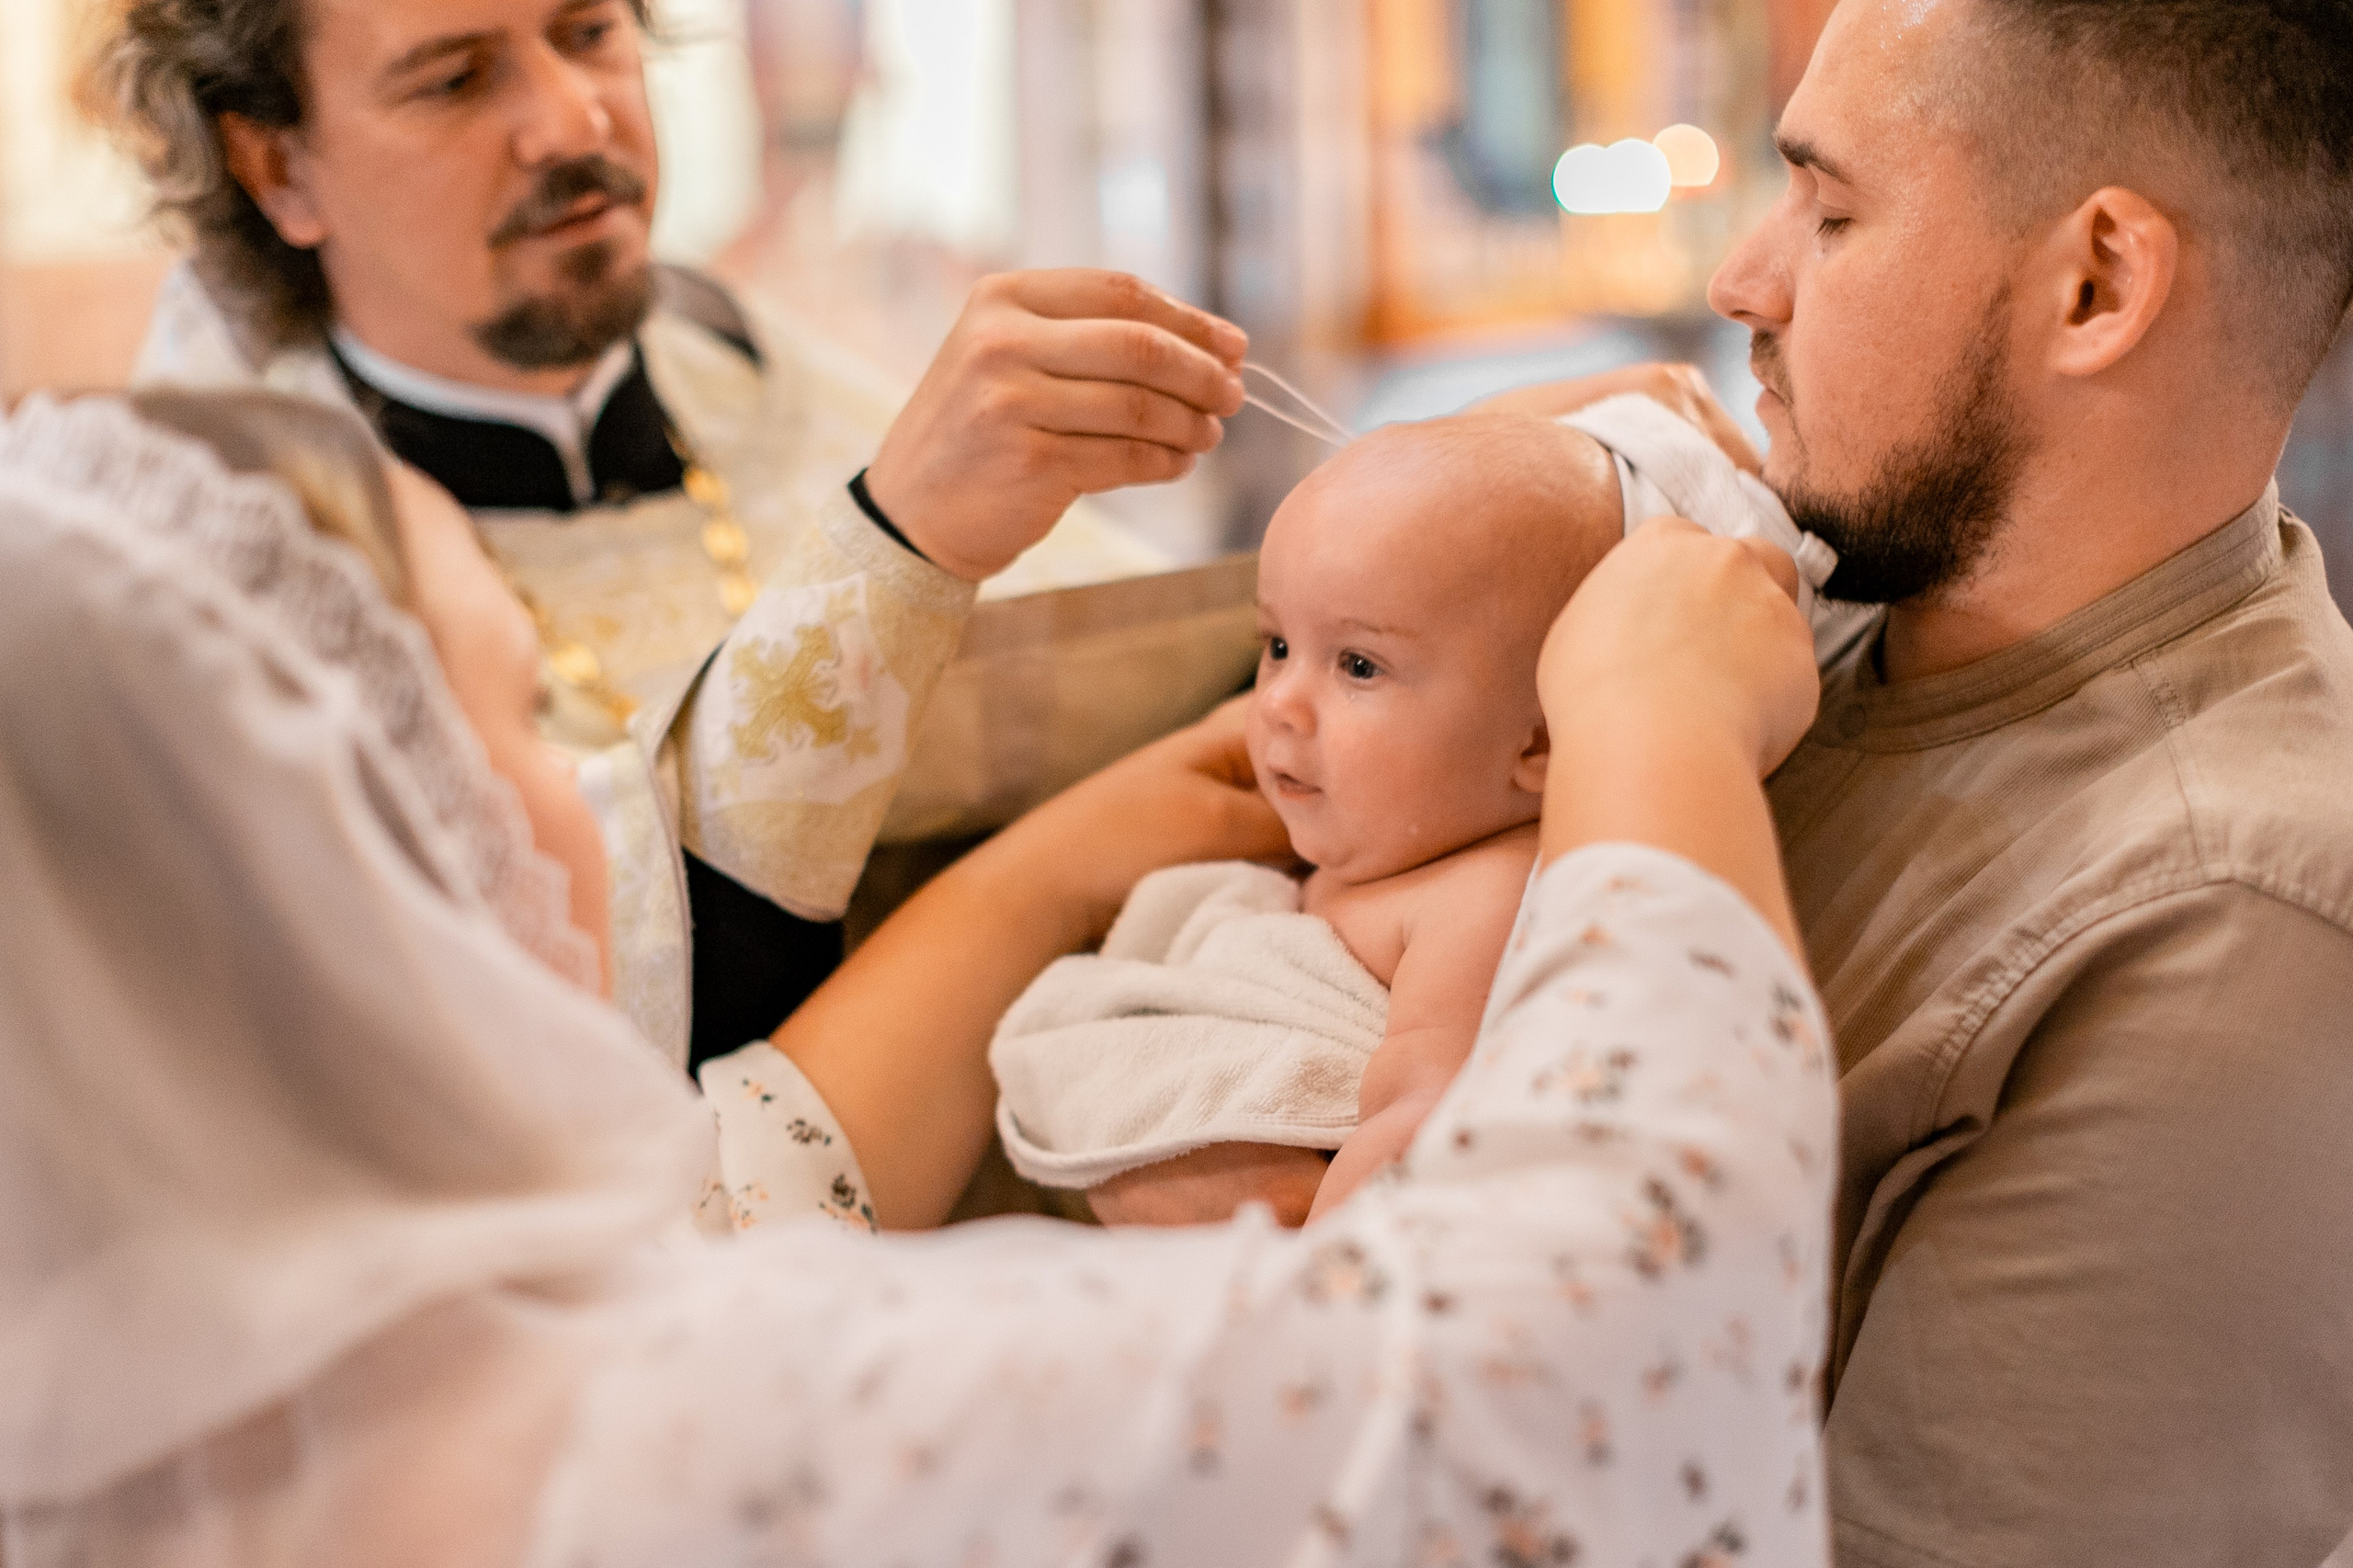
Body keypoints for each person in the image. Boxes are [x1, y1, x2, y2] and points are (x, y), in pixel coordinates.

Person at [0, 389, 1837, 1565]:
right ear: (326, 851)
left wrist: (1049, 863)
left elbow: (757, 1168)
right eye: (506, 712)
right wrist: (1643, 717)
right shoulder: (702, 1438)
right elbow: (1589, 1351)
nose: (580, 801)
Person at [1479, 0, 2353, 1559]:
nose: (1741, 279)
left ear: (2095, 286)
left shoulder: (2232, 930)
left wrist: (1637, 732)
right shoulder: (1800, 589)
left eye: (1830, 212)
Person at [89, 0, 1250, 1069]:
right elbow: (533, 1042)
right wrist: (897, 543)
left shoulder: (755, 368)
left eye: (589, 31)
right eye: (453, 80)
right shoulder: (215, 561)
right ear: (279, 166)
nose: (571, 118)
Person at [991, 403, 1856, 1226]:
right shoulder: (1369, 845)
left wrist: (1309, 1298)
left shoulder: (1483, 899)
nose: (1280, 703)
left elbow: (1419, 1127)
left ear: (1543, 741)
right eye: (1277, 646)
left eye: (1359, 666)